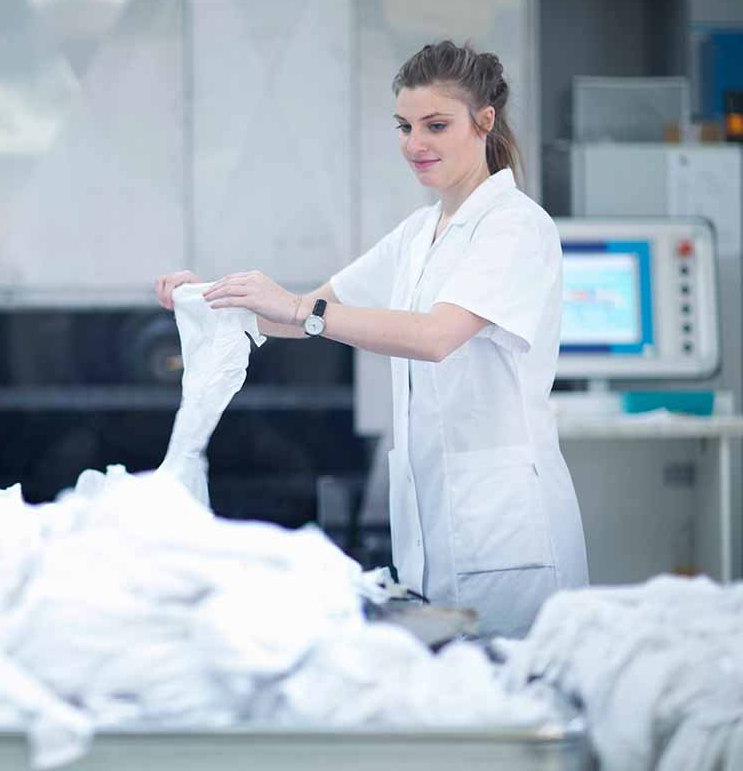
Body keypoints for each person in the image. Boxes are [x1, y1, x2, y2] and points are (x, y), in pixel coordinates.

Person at [154, 40, 588, 638]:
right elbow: (305, 313)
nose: (415, 144)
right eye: (405, 127)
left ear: (484, 121)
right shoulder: (419, 232)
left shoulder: (514, 227)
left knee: (510, 682)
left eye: (436, 125)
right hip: (434, 527)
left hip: (504, 533)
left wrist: (301, 309)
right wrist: (205, 298)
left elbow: (436, 336)